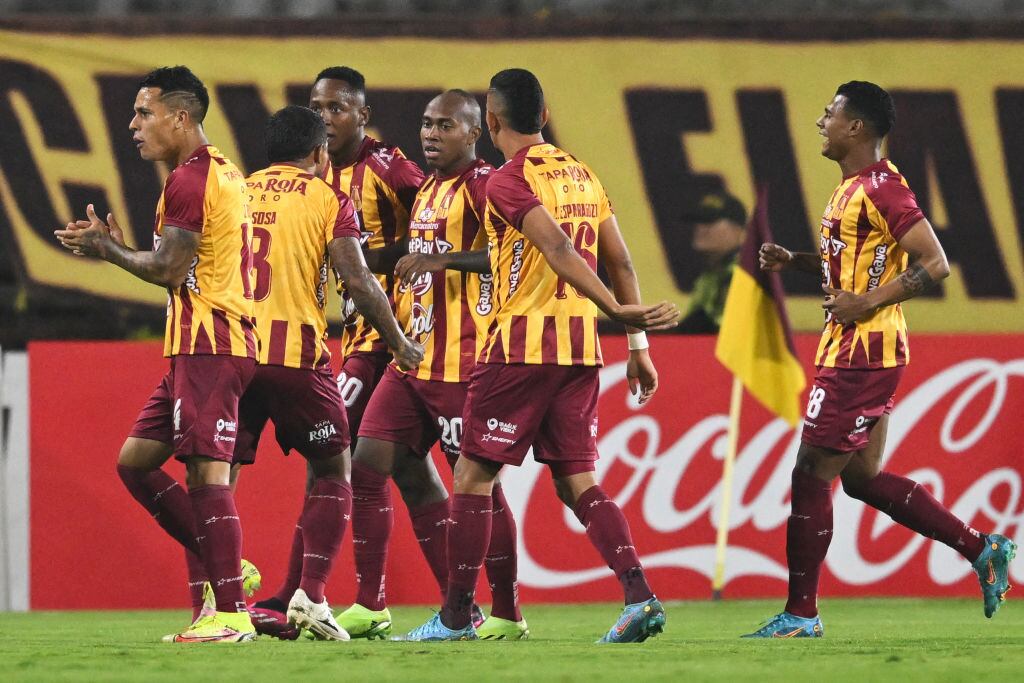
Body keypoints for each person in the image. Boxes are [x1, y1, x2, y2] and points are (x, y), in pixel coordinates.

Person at [402, 68, 679, 643]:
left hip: (519, 348)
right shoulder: (582, 173)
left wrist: (619, 313)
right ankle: (639, 595)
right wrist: (636, 344)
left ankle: (455, 618)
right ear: (545, 115)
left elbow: (554, 246)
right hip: (579, 352)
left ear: (492, 120)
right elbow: (621, 261)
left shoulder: (507, 180)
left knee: (473, 476)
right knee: (578, 481)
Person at [748, 81, 1016, 638]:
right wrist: (795, 261)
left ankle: (801, 615)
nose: (821, 120)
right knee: (862, 478)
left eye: (831, 111)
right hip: (857, 347)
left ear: (857, 128)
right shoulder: (849, 189)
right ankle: (981, 548)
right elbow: (851, 269)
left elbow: (935, 263)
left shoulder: (883, 188)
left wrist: (864, 303)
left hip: (861, 354)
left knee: (809, 475)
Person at [55, 66, 260, 643]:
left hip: (211, 343)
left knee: (205, 472)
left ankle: (230, 614)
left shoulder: (191, 182)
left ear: (181, 116)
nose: (133, 125)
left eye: (144, 113)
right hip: (200, 345)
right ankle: (226, 565)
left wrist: (108, 249)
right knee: (135, 461)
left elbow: (170, 268)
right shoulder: (219, 172)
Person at [334, 90, 526, 640]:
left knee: (480, 488)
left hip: (463, 364)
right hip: (412, 358)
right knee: (367, 460)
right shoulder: (427, 189)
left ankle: (507, 612)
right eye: (425, 123)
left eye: (445, 125)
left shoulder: (488, 185)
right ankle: (377, 602)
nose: (431, 133)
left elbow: (516, 251)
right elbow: (413, 256)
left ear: (474, 132)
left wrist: (445, 260)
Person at [233, 106, 424, 641]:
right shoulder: (328, 198)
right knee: (335, 469)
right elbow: (358, 281)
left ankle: (221, 605)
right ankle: (310, 596)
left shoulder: (234, 192)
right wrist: (401, 344)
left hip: (234, 354)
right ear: (318, 154)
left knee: (216, 478)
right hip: (298, 359)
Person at [678, 192, 747, 334]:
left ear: (737, 230)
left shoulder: (745, 272)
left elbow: (725, 330)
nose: (699, 228)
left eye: (709, 222)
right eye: (698, 221)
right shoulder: (710, 275)